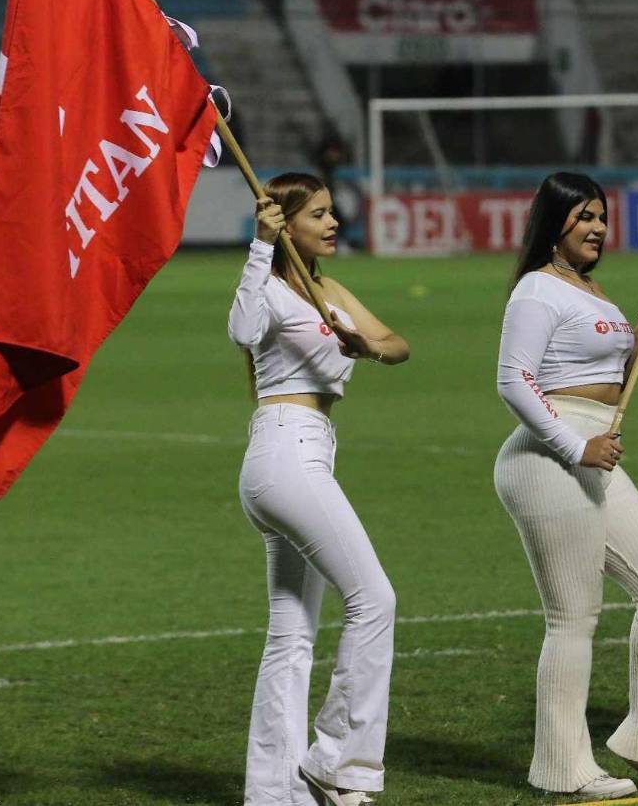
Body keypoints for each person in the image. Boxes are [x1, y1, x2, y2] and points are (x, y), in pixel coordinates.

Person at [492, 172, 638, 799]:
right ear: (554, 222)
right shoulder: (536, 289)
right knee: (573, 617)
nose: (598, 227)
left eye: (602, 216)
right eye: (584, 216)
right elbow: (514, 380)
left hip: (594, 452)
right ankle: (564, 769)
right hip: (549, 455)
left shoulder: (591, 292)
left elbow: (604, 376)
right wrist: (574, 445)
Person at [228, 172, 410, 806]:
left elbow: (399, 344)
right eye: (320, 215)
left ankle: (274, 792)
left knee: (292, 632)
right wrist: (257, 246)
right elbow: (243, 331)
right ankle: (338, 762)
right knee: (375, 599)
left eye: (333, 213)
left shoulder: (326, 287)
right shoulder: (271, 289)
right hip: (285, 451)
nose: (334, 223)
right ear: (287, 223)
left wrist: (367, 346)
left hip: (302, 455)